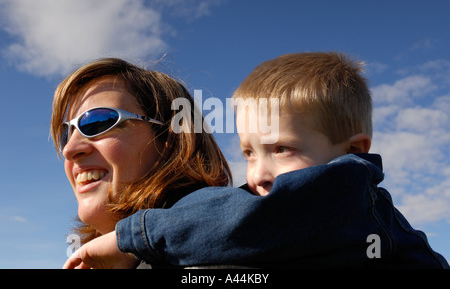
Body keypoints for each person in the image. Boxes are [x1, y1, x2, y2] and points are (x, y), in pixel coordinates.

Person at [63, 52, 449, 269]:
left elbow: (257, 221)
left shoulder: (349, 194)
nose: (258, 174)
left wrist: (134, 239)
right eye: (248, 152)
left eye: (98, 122)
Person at [51, 58, 232, 269]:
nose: (69, 150)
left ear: (171, 139)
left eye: (97, 122)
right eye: (67, 133)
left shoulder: (220, 254)